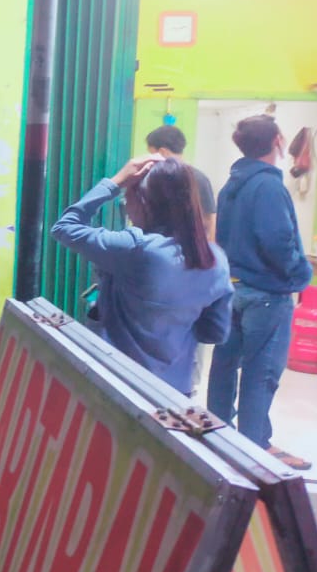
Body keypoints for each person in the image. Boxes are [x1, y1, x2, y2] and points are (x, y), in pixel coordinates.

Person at [50, 157, 233, 394]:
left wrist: (115, 182)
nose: (126, 207)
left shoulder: (135, 248)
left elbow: (64, 227)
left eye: (127, 198)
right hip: (174, 394)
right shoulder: (215, 259)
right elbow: (215, 332)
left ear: (144, 202)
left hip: (116, 386)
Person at [207, 115, 313, 470]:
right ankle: (254, 446)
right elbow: (277, 241)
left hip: (234, 289)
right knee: (261, 371)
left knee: (225, 365)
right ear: (278, 141)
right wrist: (301, 275)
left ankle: (218, 436)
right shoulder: (268, 186)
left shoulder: (232, 185)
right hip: (266, 295)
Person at [146, 125, 217, 240]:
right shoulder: (200, 178)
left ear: (162, 152)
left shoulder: (155, 179)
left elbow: (209, 220)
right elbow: (209, 220)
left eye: (152, 154)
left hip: (170, 244)